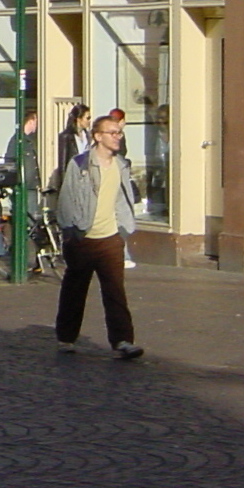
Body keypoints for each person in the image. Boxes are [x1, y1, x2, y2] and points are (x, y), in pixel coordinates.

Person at [55, 114, 143, 358]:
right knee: (75, 290)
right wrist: (70, 233)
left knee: (115, 292)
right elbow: (67, 199)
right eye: (112, 133)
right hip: (83, 237)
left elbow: (122, 199)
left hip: (111, 239)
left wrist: (123, 230)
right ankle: (66, 337)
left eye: (119, 133)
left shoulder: (121, 165)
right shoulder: (80, 164)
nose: (117, 137)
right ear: (97, 136)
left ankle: (123, 341)